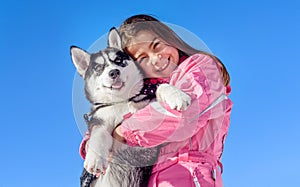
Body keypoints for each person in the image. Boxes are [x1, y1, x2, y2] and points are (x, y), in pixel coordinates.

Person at [81, 14, 233, 187]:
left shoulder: (200, 67)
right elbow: (96, 136)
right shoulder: (140, 93)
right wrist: (95, 144)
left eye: (157, 46)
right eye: (142, 58)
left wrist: (122, 132)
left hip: (188, 174)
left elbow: (185, 115)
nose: (155, 58)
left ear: (169, 39)